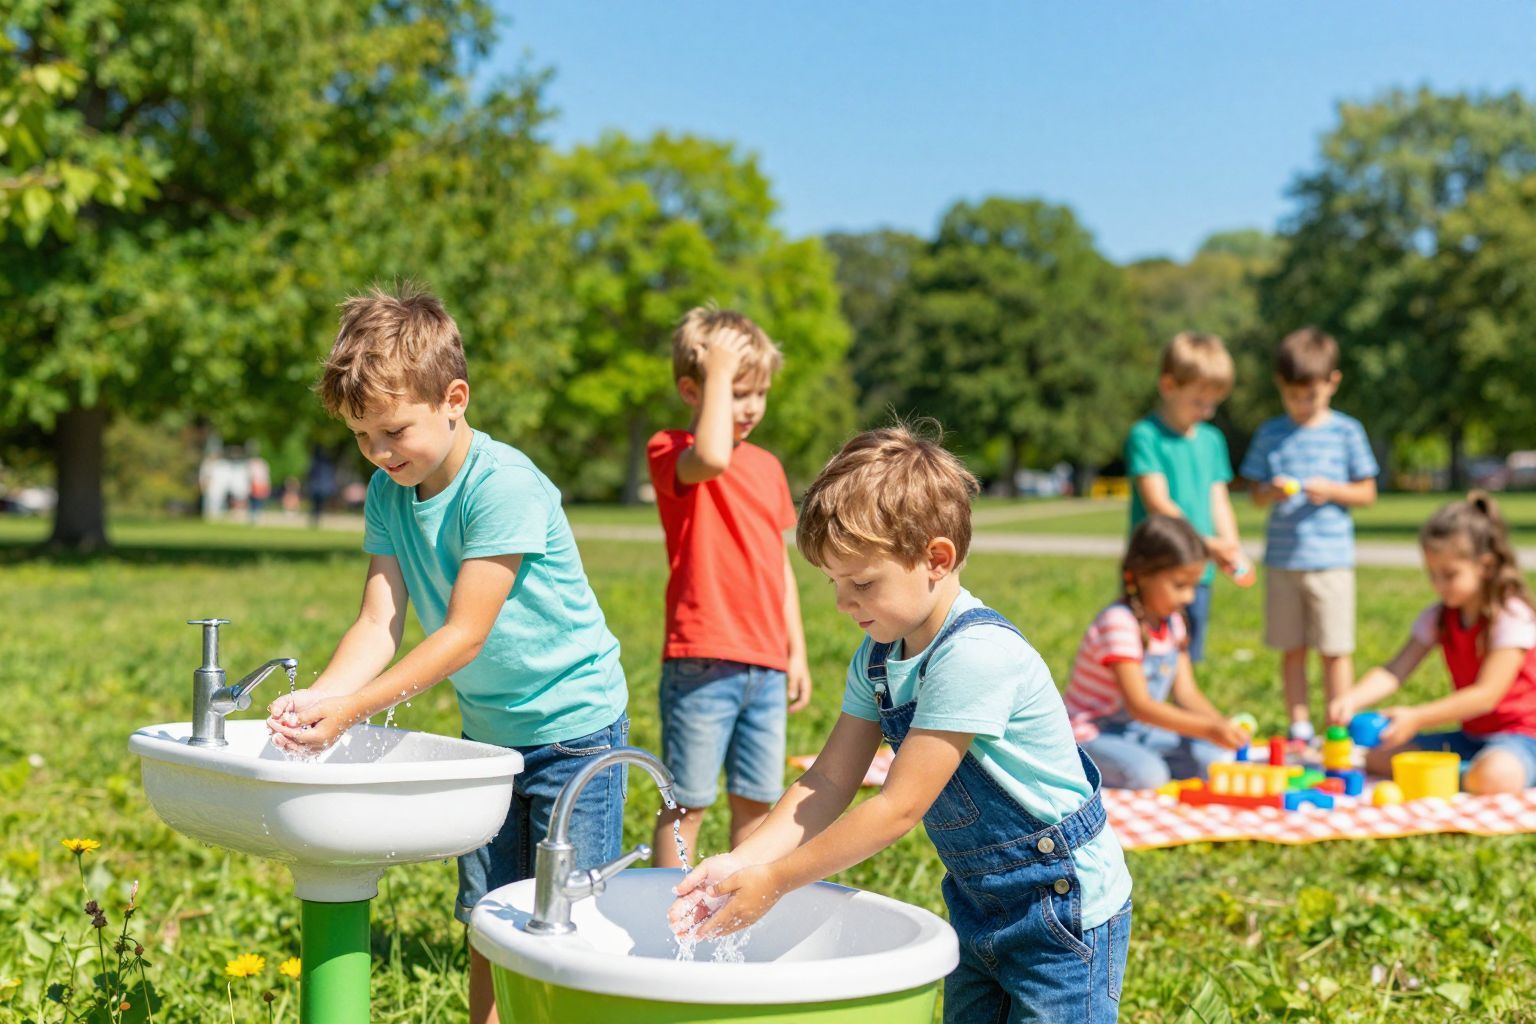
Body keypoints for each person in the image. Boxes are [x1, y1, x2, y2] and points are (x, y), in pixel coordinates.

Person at [670, 424, 1133, 1023]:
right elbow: (826, 781)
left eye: (862, 583)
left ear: (937, 559)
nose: (843, 602)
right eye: (835, 582)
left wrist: (777, 879)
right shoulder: (879, 659)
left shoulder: (975, 656)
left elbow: (898, 807)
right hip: (978, 902)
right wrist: (743, 862)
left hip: (1061, 912)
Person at [265, 283, 629, 1024]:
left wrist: (353, 711)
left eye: (393, 431)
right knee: (489, 917)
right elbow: (378, 620)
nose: (378, 452)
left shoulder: (503, 486)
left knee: (571, 924)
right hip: (490, 736)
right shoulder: (387, 492)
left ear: (453, 398)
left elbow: (465, 634)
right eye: (362, 437)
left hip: (576, 730)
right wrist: (323, 697)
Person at [647, 306, 812, 868]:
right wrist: (718, 368)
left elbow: (777, 564)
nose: (751, 407)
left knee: (757, 807)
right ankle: (662, 914)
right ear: (691, 390)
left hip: (764, 666)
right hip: (702, 660)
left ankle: (738, 914)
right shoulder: (670, 449)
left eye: (759, 393)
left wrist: (795, 651)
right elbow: (712, 456)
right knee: (686, 806)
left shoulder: (768, 467)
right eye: (737, 392)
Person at [1330, 493, 1536, 795]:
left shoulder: (1511, 615)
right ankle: (1464, 775)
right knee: (1378, 757)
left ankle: (1464, 776)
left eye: (1449, 575)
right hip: (1471, 737)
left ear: (1486, 566)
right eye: (1433, 574)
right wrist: (1352, 698)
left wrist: (1417, 718)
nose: (1439, 585)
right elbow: (1394, 670)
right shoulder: (1439, 617)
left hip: (1524, 737)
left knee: (1496, 775)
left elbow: (1486, 695)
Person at [1240, 327, 1378, 742]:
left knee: (1335, 649)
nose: (1302, 405)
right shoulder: (1270, 434)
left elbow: (1367, 492)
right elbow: (1254, 496)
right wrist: (1271, 491)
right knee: (1292, 648)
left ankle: (1338, 726)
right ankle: (1299, 726)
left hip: (1331, 562)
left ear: (1332, 382)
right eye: (1293, 396)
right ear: (1280, 385)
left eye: (1311, 396)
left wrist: (1332, 490)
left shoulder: (1347, 431)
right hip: (1283, 562)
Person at [1066, 515, 1250, 789]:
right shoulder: (1119, 623)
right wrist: (1208, 729)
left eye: (1193, 586)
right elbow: (1139, 706)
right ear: (1141, 575)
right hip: (1093, 734)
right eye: (1179, 585)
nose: (1189, 597)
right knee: (1150, 775)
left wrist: (1221, 725)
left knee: (1212, 758)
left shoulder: (1173, 622)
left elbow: (1186, 694)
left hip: (1142, 731)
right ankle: (1076, 767)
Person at [1125, 331, 1246, 663]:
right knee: (1145, 651)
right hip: (1156, 570)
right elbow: (1157, 503)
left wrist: (1230, 544)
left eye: (1213, 404)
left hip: (1196, 571)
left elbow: (1218, 499)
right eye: (1198, 402)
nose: (1207, 412)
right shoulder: (1146, 436)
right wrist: (1206, 543)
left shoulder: (1212, 440)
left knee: (1187, 653)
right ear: (1168, 386)